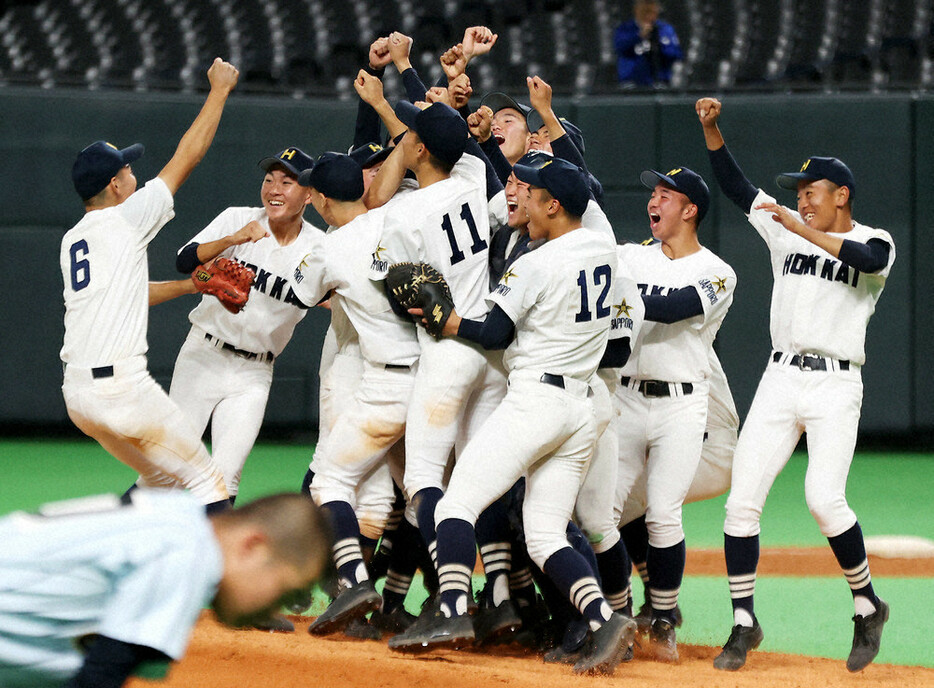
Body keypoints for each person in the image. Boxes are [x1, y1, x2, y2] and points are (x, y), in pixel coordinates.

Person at [391, 155, 635, 676]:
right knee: (545, 532)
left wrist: (449, 320)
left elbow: (495, 334)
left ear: (555, 205)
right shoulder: (605, 250)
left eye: (534, 192)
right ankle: (602, 617)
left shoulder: (536, 263)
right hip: (580, 407)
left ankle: (452, 612)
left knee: (457, 505)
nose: (521, 195)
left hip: (536, 400)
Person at [696, 96, 895, 673]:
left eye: (812, 189)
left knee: (824, 501)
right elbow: (735, 186)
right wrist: (712, 130)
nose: (802, 196)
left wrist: (796, 227)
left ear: (842, 196)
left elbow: (861, 256)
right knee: (741, 504)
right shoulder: (787, 230)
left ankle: (865, 605)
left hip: (836, 385)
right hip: (781, 377)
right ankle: (743, 621)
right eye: (799, 189)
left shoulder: (877, 239)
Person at [60, 59, 239, 513]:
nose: (131, 172)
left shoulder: (73, 239)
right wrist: (219, 91)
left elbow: (128, 296)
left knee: (159, 479)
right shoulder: (125, 218)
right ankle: (237, 584)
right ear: (116, 185)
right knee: (208, 481)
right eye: (126, 169)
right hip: (120, 390)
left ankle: (109, 562)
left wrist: (187, 287)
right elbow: (188, 157)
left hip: (79, 396)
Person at [0, 490, 330, 688]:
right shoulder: (188, 553)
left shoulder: (177, 517)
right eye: (284, 591)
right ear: (253, 546)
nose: (276, 608)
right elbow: (101, 675)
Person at [288, 152, 420, 635]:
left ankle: (354, 580)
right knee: (413, 492)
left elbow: (301, 294)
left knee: (329, 481)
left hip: (387, 379)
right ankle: (447, 596)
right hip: (434, 378)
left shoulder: (328, 249)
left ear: (321, 200)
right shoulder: (395, 218)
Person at [614, 166, 736, 662]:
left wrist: (618, 297)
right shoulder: (630, 255)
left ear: (690, 210)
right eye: (653, 193)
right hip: (624, 398)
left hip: (683, 405)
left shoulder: (717, 270)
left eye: (666, 194)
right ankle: (615, 614)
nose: (654, 201)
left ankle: (663, 620)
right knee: (602, 513)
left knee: (664, 514)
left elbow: (675, 307)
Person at [163, 147, 319, 506]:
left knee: (225, 476)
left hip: (255, 372)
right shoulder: (239, 218)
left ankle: (217, 562)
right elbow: (184, 261)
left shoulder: (318, 247)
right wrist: (232, 240)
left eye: (287, 181)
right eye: (269, 180)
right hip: (204, 353)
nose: (274, 189)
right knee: (170, 467)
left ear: (309, 195)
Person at [614, 0, 683, 87]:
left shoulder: (665, 29)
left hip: (660, 82)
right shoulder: (625, 29)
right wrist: (638, 36)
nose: (648, 15)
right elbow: (619, 48)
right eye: (645, 11)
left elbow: (676, 54)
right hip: (631, 82)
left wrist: (659, 43)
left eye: (651, 11)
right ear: (636, 10)